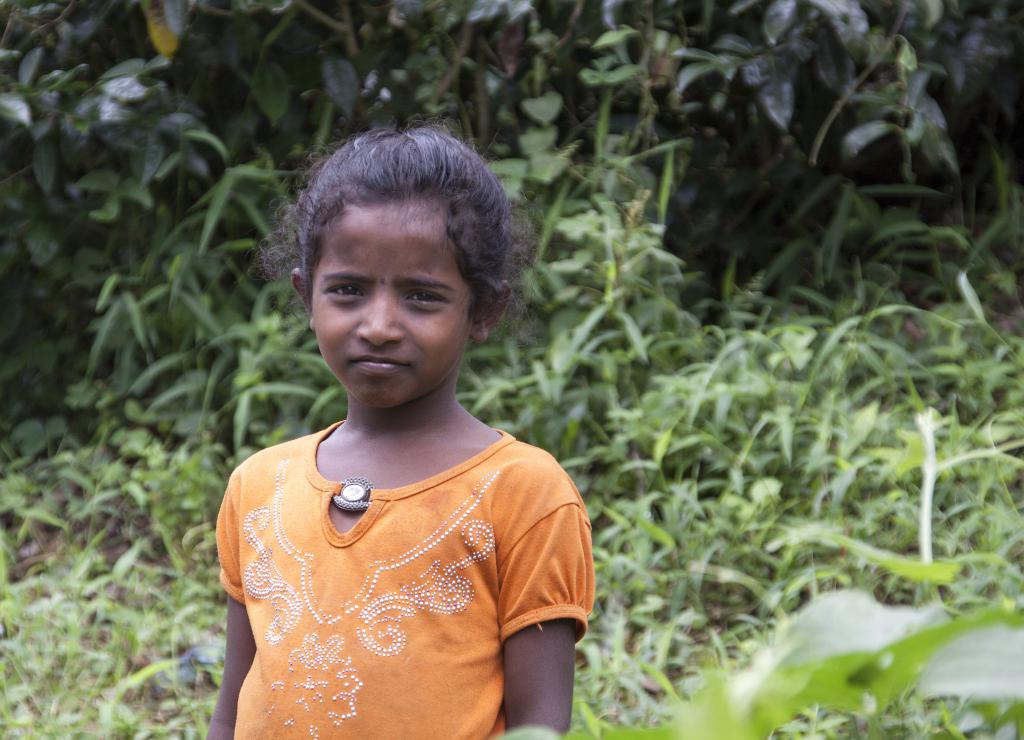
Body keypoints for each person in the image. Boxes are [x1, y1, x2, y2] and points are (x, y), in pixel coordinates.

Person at [209, 126, 595, 739]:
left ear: (484, 310)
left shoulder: (524, 494)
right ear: (306, 296)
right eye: (348, 290)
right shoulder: (259, 486)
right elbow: (232, 708)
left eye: (422, 296)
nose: (381, 325)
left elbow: (539, 724)